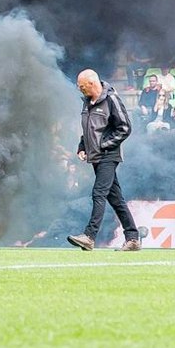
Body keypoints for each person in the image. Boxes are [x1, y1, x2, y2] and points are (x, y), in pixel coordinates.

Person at [67, 68, 141, 252]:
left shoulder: (111, 99)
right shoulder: (86, 102)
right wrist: (82, 146)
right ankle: (133, 238)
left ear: (92, 83)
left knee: (98, 193)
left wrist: (104, 145)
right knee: (116, 199)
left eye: (82, 87)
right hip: (96, 157)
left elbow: (125, 128)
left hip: (109, 155)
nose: (80, 90)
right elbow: (88, 130)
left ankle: (89, 236)